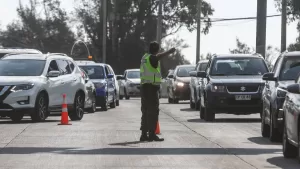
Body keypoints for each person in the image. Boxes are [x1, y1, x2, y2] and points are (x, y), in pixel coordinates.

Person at [139, 41, 176, 142]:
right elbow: (157, 57)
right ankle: (151, 134)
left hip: (144, 87)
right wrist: (169, 51)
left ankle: (143, 134)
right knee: (153, 111)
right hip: (151, 88)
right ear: (157, 50)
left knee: (145, 111)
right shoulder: (152, 58)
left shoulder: (144, 57)